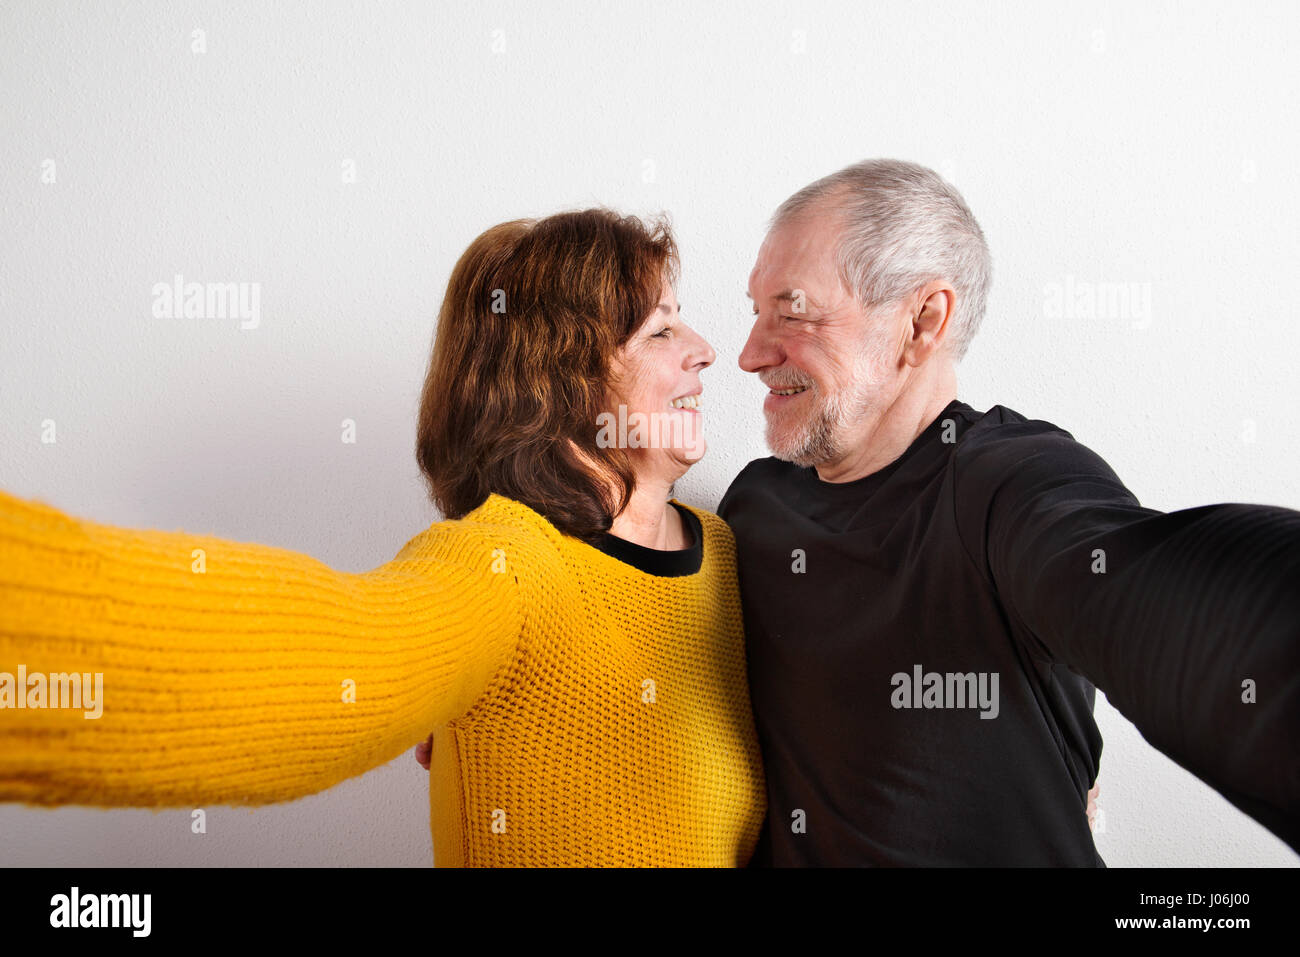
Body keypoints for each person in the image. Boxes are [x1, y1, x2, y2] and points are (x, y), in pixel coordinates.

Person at [0, 208, 767, 867]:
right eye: (661, 328)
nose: (704, 347)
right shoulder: (504, 566)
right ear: (561, 376)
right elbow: (322, 665)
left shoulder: (726, 548)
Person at [722, 158, 1300, 866]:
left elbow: (1186, 611)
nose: (749, 354)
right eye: (756, 312)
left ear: (922, 322)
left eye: (795, 310)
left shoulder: (1008, 481)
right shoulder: (753, 507)